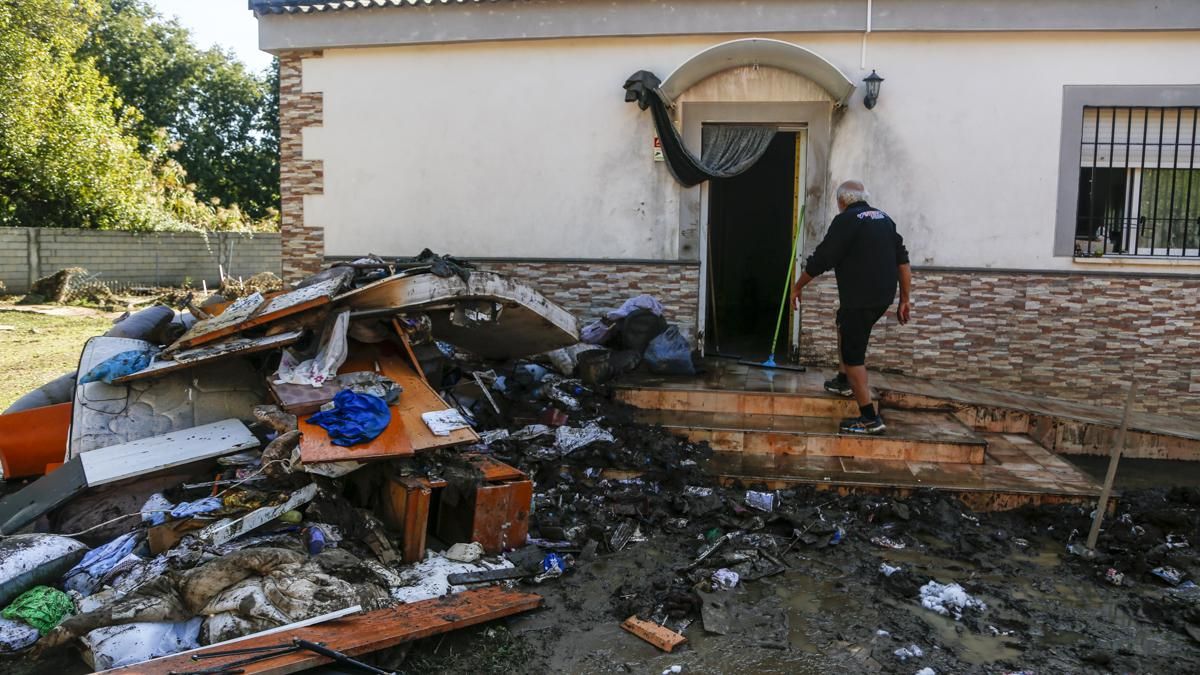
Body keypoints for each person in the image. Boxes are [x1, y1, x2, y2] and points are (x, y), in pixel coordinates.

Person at [791, 180, 911, 435]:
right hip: (882, 296)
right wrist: (904, 299)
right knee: (842, 322)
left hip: (861, 299)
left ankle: (869, 418)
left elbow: (823, 258)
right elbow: (903, 260)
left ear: (842, 201)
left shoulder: (846, 220)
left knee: (854, 353)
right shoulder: (884, 219)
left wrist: (797, 286)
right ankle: (844, 380)